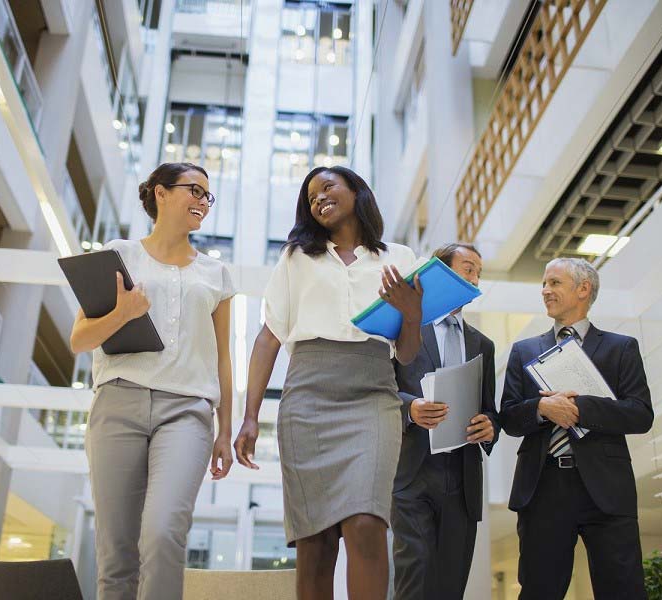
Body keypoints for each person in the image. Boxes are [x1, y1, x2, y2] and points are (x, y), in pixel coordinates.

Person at [233, 166, 423, 600]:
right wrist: (249, 416)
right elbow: (269, 337)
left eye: (328, 187)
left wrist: (411, 312)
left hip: (374, 394)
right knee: (314, 544)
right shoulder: (296, 258)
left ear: (356, 191)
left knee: (367, 524)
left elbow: (408, 353)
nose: (319, 198)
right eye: (311, 196)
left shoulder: (400, 257)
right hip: (307, 398)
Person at [70, 162, 235, 600]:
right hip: (118, 404)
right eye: (193, 191)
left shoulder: (216, 274)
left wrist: (227, 429)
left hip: (187, 412)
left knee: (163, 534)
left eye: (206, 195)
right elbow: (78, 339)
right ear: (160, 194)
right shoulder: (118, 254)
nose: (202, 201)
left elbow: (222, 356)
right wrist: (123, 313)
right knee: (115, 552)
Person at [500, 257, 653, 599]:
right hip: (543, 487)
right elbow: (508, 417)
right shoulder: (524, 350)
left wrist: (579, 407)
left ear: (583, 289)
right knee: (540, 590)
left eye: (554, 283)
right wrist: (542, 408)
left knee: (623, 590)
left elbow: (641, 414)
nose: (545, 291)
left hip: (607, 490)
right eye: (544, 283)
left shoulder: (621, 347)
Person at [391, 242, 500, 600]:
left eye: (478, 273)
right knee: (414, 574)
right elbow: (379, 391)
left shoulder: (483, 344)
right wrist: (411, 408)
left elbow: (490, 410)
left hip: (463, 477)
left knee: (451, 584)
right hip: (413, 471)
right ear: (441, 273)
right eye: (468, 268)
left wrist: (490, 427)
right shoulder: (404, 328)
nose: (475, 278)